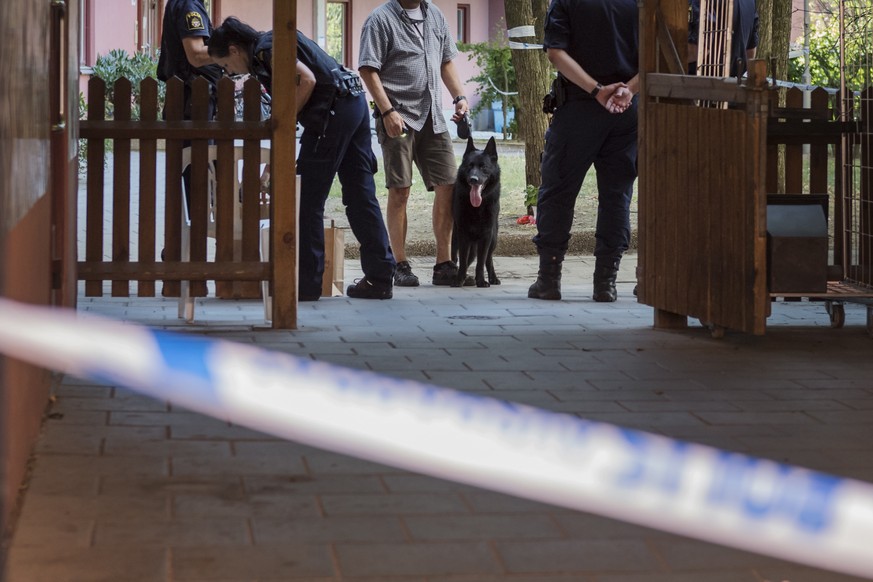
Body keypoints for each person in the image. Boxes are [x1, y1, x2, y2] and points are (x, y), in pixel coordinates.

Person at [208, 17, 397, 300]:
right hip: (352, 101)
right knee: (360, 194)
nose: (229, 72)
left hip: (331, 111)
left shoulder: (265, 51)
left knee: (307, 200)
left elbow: (306, 80)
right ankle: (380, 278)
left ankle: (306, 286)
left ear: (234, 50)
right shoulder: (270, 42)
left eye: (225, 65)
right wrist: (271, 168)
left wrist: (283, 120)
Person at [528, 0, 639, 303]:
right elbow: (655, 56)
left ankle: (549, 279)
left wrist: (596, 90)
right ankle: (606, 282)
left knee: (557, 191)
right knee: (617, 195)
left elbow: (555, 52)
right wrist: (628, 89)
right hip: (626, 111)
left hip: (579, 108)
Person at [358, 0, 469, 287]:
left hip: (433, 114)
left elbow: (445, 61)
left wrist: (459, 97)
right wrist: (386, 112)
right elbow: (368, 69)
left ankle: (444, 264)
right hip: (398, 115)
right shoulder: (380, 20)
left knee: (449, 184)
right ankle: (399, 263)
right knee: (400, 190)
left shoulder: (435, 15)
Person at [156, 0, 222, 118]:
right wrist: (229, 51)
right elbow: (196, 55)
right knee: (196, 136)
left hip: (184, 95)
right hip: (193, 96)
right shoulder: (189, 5)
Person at [688, 0, 759, 77]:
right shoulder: (750, 2)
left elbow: (699, 49)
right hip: (735, 83)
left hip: (702, 83)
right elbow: (750, 52)